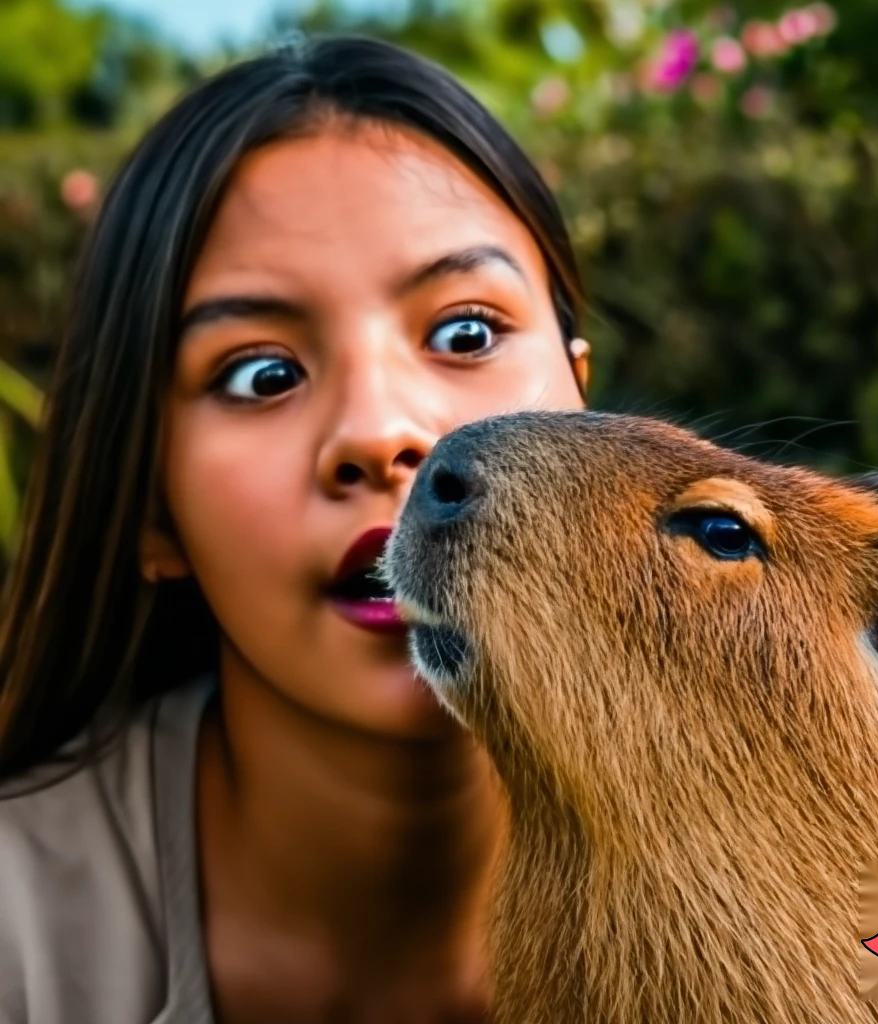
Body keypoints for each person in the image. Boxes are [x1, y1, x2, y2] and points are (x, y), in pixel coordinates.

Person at [0, 35, 591, 1024]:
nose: (379, 434)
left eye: (466, 333)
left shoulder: (847, 899)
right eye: (261, 375)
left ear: (587, 404)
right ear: (152, 509)